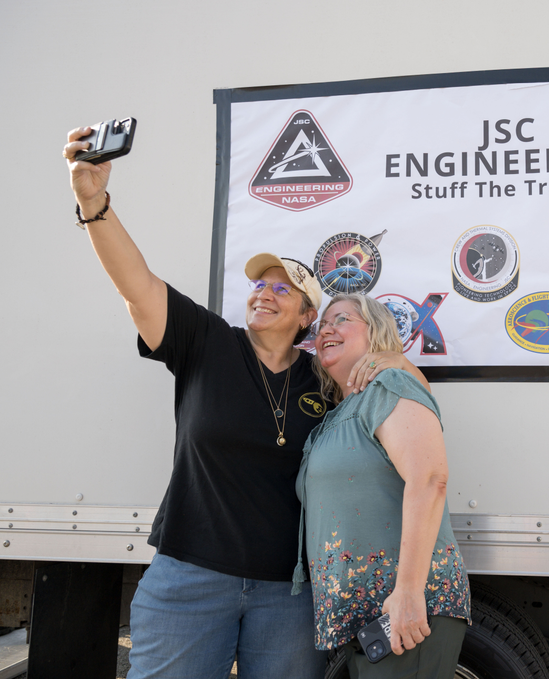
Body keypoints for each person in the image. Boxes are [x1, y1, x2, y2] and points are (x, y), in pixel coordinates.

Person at [62, 126, 428, 679]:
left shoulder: (322, 377)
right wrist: (94, 204)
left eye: (284, 289)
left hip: (288, 595)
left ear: (309, 317)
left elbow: (404, 395)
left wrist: (396, 361)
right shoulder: (207, 341)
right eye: (259, 284)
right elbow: (136, 285)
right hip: (189, 580)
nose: (264, 292)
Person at [295, 294, 470, 679]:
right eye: (322, 324)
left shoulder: (389, 384)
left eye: (342, 319)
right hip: (366, 622)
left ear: (376, 333)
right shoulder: (341, 410)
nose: (327, 328)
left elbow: (429, 480)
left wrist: (408, 592)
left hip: (401, 613)